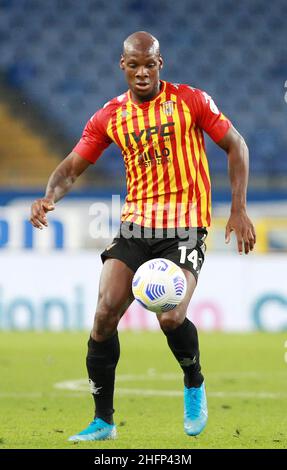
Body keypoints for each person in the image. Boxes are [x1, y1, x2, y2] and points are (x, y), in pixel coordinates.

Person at [30, 31, 256, 441]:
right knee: (103, 315)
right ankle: (103, 421)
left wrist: (238, 208)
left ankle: (193, 381)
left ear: (160, 64)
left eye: (149, 64)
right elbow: (70, 168)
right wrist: (48, 197)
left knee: (170, 315)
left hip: (185, 225)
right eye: (133, 65)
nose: (141, 72)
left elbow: (236, 145)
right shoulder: (110, 116)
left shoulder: (191, 101)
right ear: (123, 66)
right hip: (136, 225)